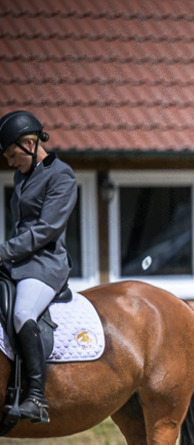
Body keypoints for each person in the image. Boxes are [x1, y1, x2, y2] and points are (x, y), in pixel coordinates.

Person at [0, 110, 77, 424]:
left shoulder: (62, 176)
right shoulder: (23, 175)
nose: (9, 163)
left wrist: (3, 251)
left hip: (45, 264)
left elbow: (46, 230)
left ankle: (37, 397)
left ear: (30, 143)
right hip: (20, 261)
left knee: (21, 313)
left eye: (12, 155)